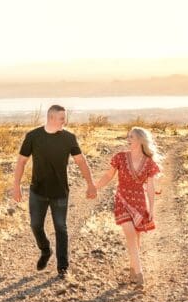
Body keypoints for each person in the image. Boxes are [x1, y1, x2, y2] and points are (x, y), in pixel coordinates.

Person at [10, 105, 97, 278]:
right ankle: (45, 250)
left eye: (64, 118)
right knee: (35, 225)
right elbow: (21, 162)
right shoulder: (33, 136)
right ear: (51, 118)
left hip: (60, 192)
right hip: (38, 191)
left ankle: (62, 267)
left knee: (61, 228)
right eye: (61, 118)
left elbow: (81, 161)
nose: (65, 121)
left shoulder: (69, 138)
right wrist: (16, 185)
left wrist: (91, 184)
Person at [95, 126, 161, 288]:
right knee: (130, 234)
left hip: (139, 202)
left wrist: (151, 209)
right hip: (122, 200)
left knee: (136, 239)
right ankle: (139, 274)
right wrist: (94, 187)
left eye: (131, 137)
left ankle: (132, 269)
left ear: (140, 139)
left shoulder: (149, 163)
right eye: (128, 136)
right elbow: (108, 176)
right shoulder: (120, 157)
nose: (128, 139)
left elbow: (151, 187)